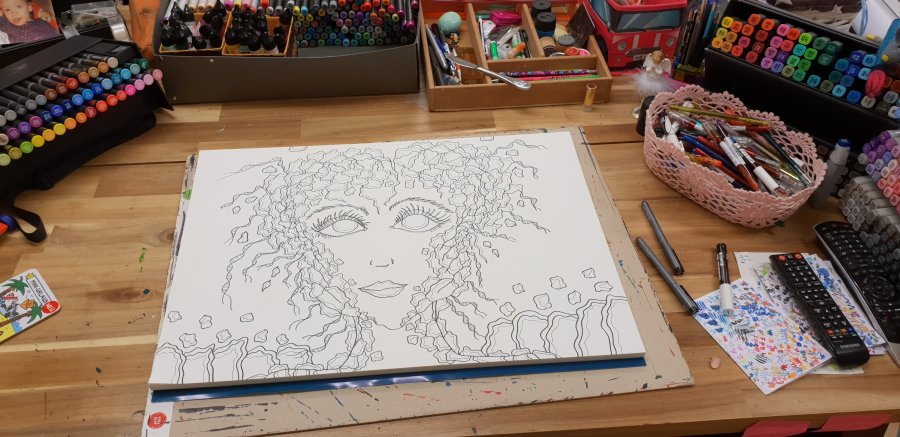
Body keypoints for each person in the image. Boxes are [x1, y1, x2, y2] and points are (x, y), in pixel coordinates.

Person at [154, 139, 632, 384]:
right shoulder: (241, 356)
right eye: (340, 224)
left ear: (471, 226)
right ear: (295, 240)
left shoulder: (560, 329)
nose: (381, 259)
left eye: (418, 219)